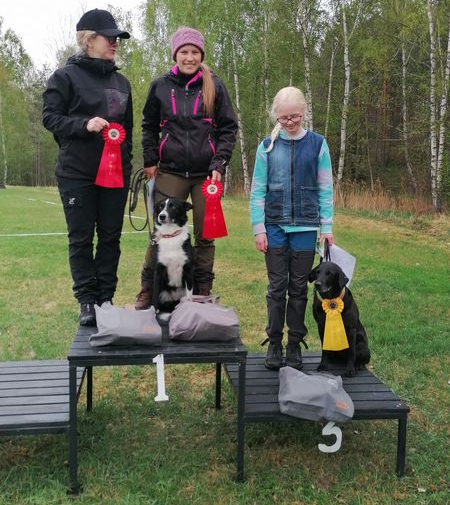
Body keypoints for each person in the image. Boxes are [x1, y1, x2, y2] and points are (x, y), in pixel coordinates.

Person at [135, 27, 237, 309]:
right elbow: (148, 126)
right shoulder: (160, 86)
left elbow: (228, 128)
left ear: (201, 55)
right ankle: (148, 287)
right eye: (184, 52)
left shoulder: (215, 85)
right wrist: (150, 160)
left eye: (194, 52)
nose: (189, 57)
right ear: (175, 54)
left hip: (206, 175)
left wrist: (219, 162)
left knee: (206, 235)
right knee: (161, 232)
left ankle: (202, 288)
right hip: (170, 171)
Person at [43, 8, 133, 326]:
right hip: (76, 174)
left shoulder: (122, 82)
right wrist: (84, 125)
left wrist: (126, 162)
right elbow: (50, 118)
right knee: (81, 239)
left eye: (117, 38)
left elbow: (127, 131)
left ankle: (105, 299)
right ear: (89, 40)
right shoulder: (64, 77)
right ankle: (87, 301)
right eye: (110, 38)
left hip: (116, 176)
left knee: (110, 238)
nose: (115, 43)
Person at [250, 86, 334, 370]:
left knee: (299, 289)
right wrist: (258, 228)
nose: (289, 122)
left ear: (303, 112)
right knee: (277, 288)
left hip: (306, 228)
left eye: (294, 116)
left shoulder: (318, 144)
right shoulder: (267, 147)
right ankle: (274, 342)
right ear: (276, 116)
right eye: (283, 118)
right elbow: (257, 190)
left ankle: (295, 343)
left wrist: (327, 227)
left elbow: (325, 188)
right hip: (274, 226)